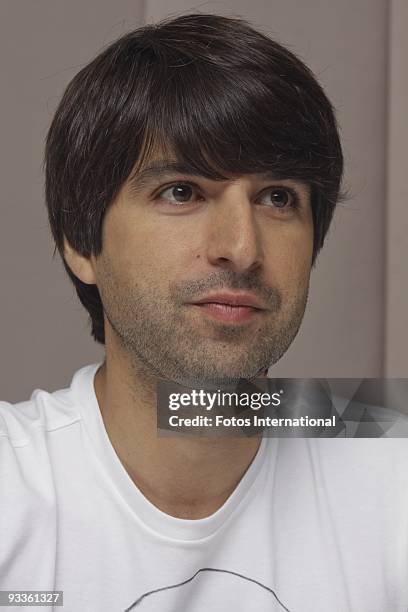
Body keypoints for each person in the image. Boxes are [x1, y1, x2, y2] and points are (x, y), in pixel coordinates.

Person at [0, 13, 407, 612]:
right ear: (82, 243)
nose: (241, 248)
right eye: (182, 192)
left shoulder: (389, 462)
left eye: (277, 198)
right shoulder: (14, 484)